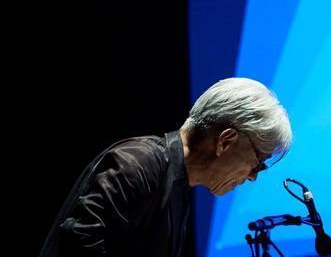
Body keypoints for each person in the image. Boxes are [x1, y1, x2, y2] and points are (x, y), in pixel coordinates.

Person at [40, 77, 293, 257]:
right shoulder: (138, 163)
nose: (252, 177)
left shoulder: (178, 184)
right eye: (258, 163)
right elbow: (76, 245)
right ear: (226, 140)